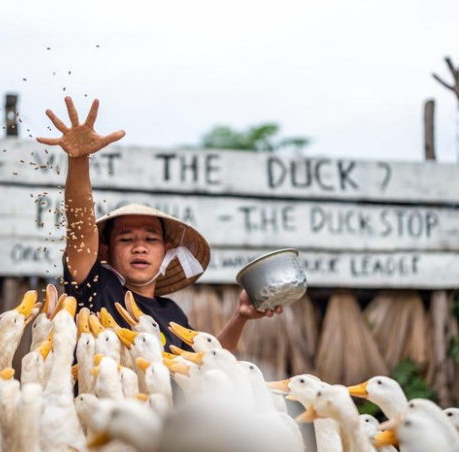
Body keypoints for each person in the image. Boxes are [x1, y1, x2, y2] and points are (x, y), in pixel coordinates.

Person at [36, 97, 282, 353]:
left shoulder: (172, 313)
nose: (140, 248)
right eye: (126, 239)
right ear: (106, 251)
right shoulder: (96, 286)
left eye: (151, 239)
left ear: (166, 251)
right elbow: (81, 226)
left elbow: (208, 364)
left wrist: (240, 316)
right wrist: (79, 159)